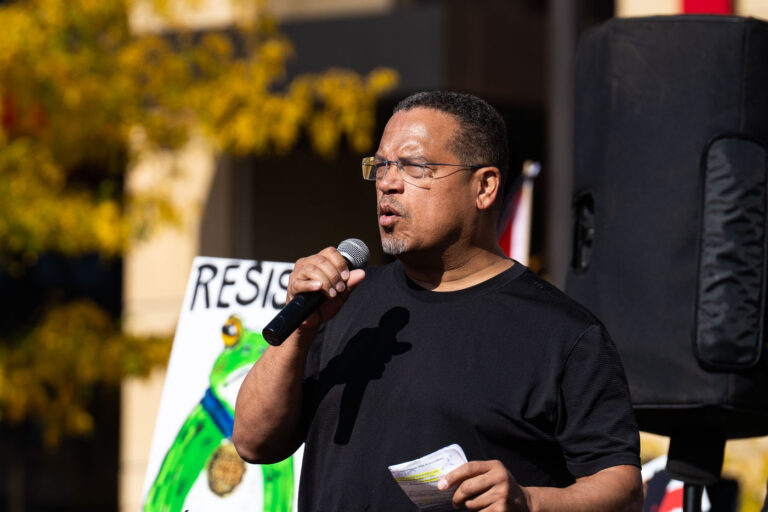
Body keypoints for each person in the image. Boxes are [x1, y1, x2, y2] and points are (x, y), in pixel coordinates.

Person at [233, 91, 643, 511]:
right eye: (381, 165)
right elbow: (251, 441)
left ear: (484, 187)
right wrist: (301, 330)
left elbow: (623, 490)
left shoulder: (565, 334)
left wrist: (529, 502)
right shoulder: (341, 301)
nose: (388, 183)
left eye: (414, 166)